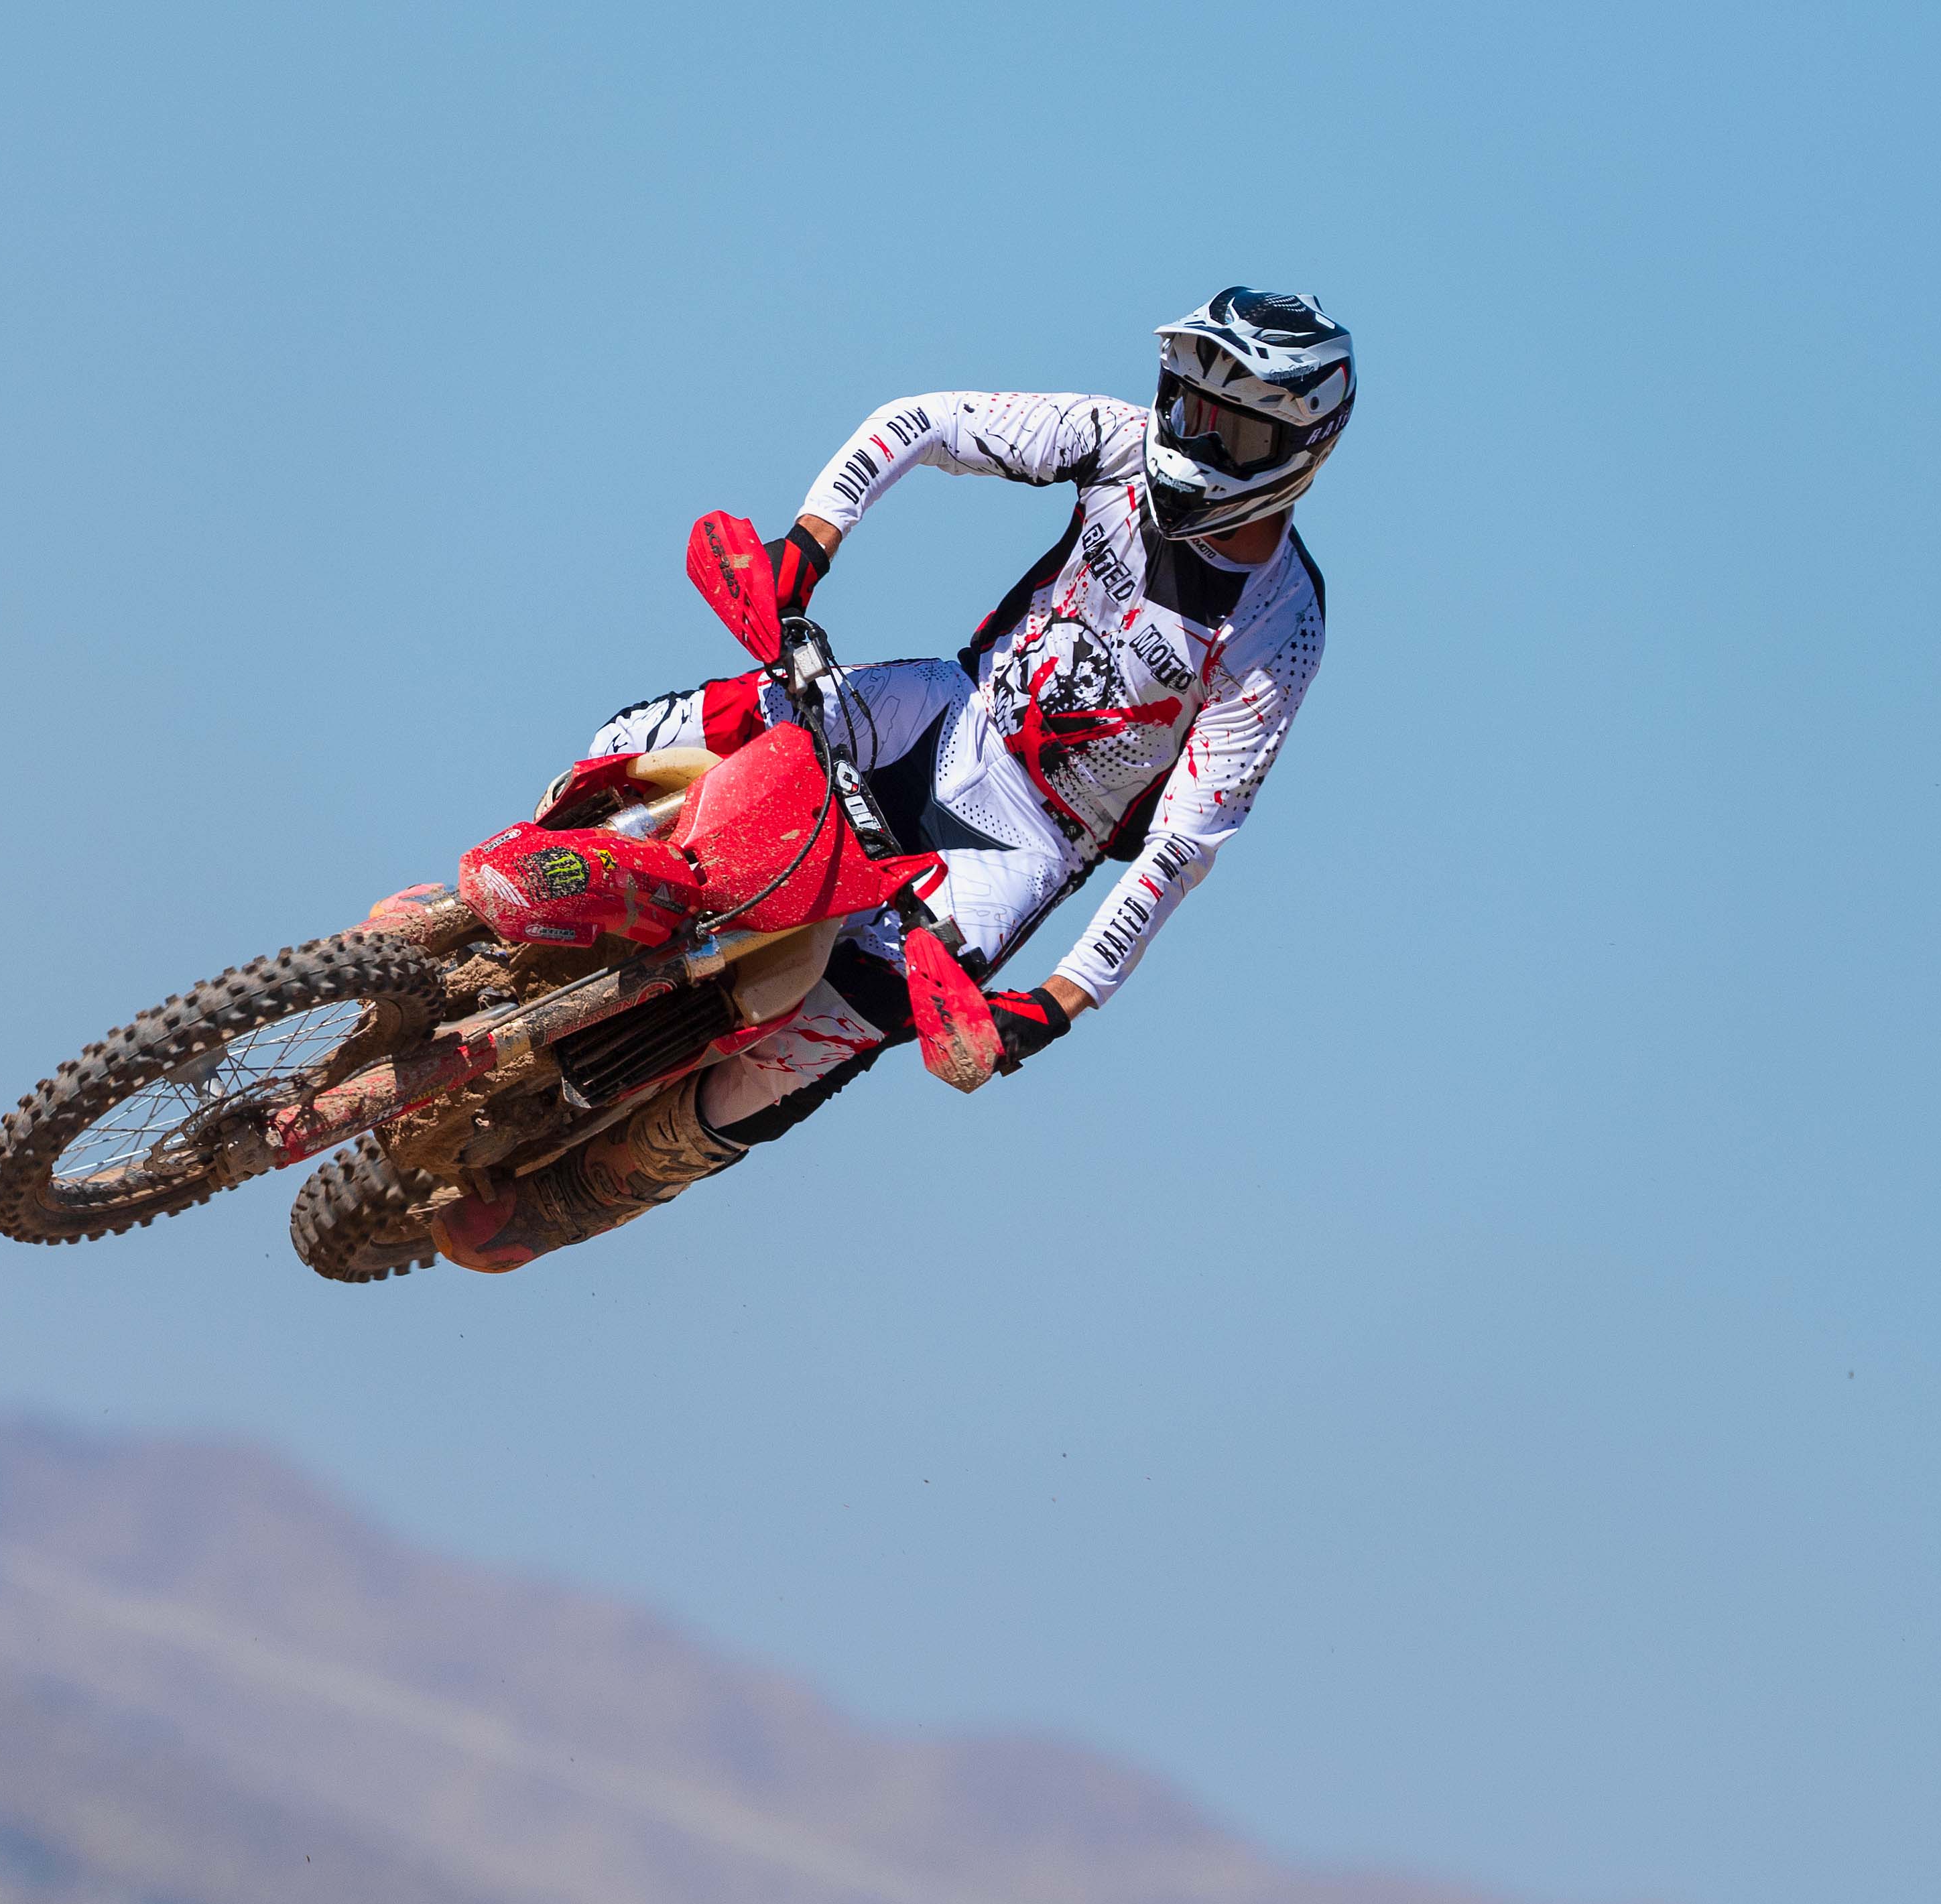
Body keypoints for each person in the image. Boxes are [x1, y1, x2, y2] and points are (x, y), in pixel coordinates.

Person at [434, 288, 1353, 1273]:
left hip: (1029, 841)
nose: (1197, 439)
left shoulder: (1280, 626)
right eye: (1190, 405)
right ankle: (507, 887)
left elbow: (1181, 848)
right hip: (947, 709)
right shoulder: (1114, 441)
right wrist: (807, 546)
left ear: (1301, 449)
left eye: (1236, 428)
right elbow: (919, 422)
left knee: (816, 1040)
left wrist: (1055, 1004)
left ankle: (583, 1191)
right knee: (726, 716)